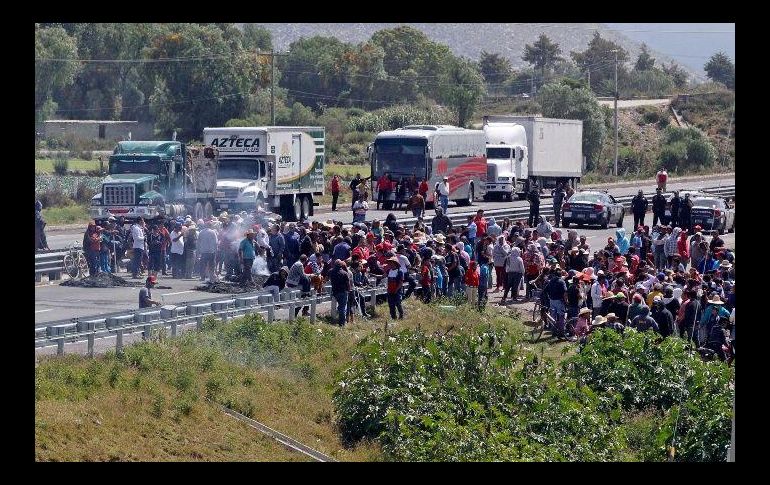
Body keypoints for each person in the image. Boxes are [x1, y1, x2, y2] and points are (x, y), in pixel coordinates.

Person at [545, 270, 568, 337]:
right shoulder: (561, 281)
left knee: (553, 316)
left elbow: (546, 290)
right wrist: (566, 301)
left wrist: (549, 297)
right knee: (561, 316)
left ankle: (553, 331)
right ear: (560, 275)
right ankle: (561, 332)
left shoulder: (551, 281)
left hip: (552, 300)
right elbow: (565, 292)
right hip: (559, 301)